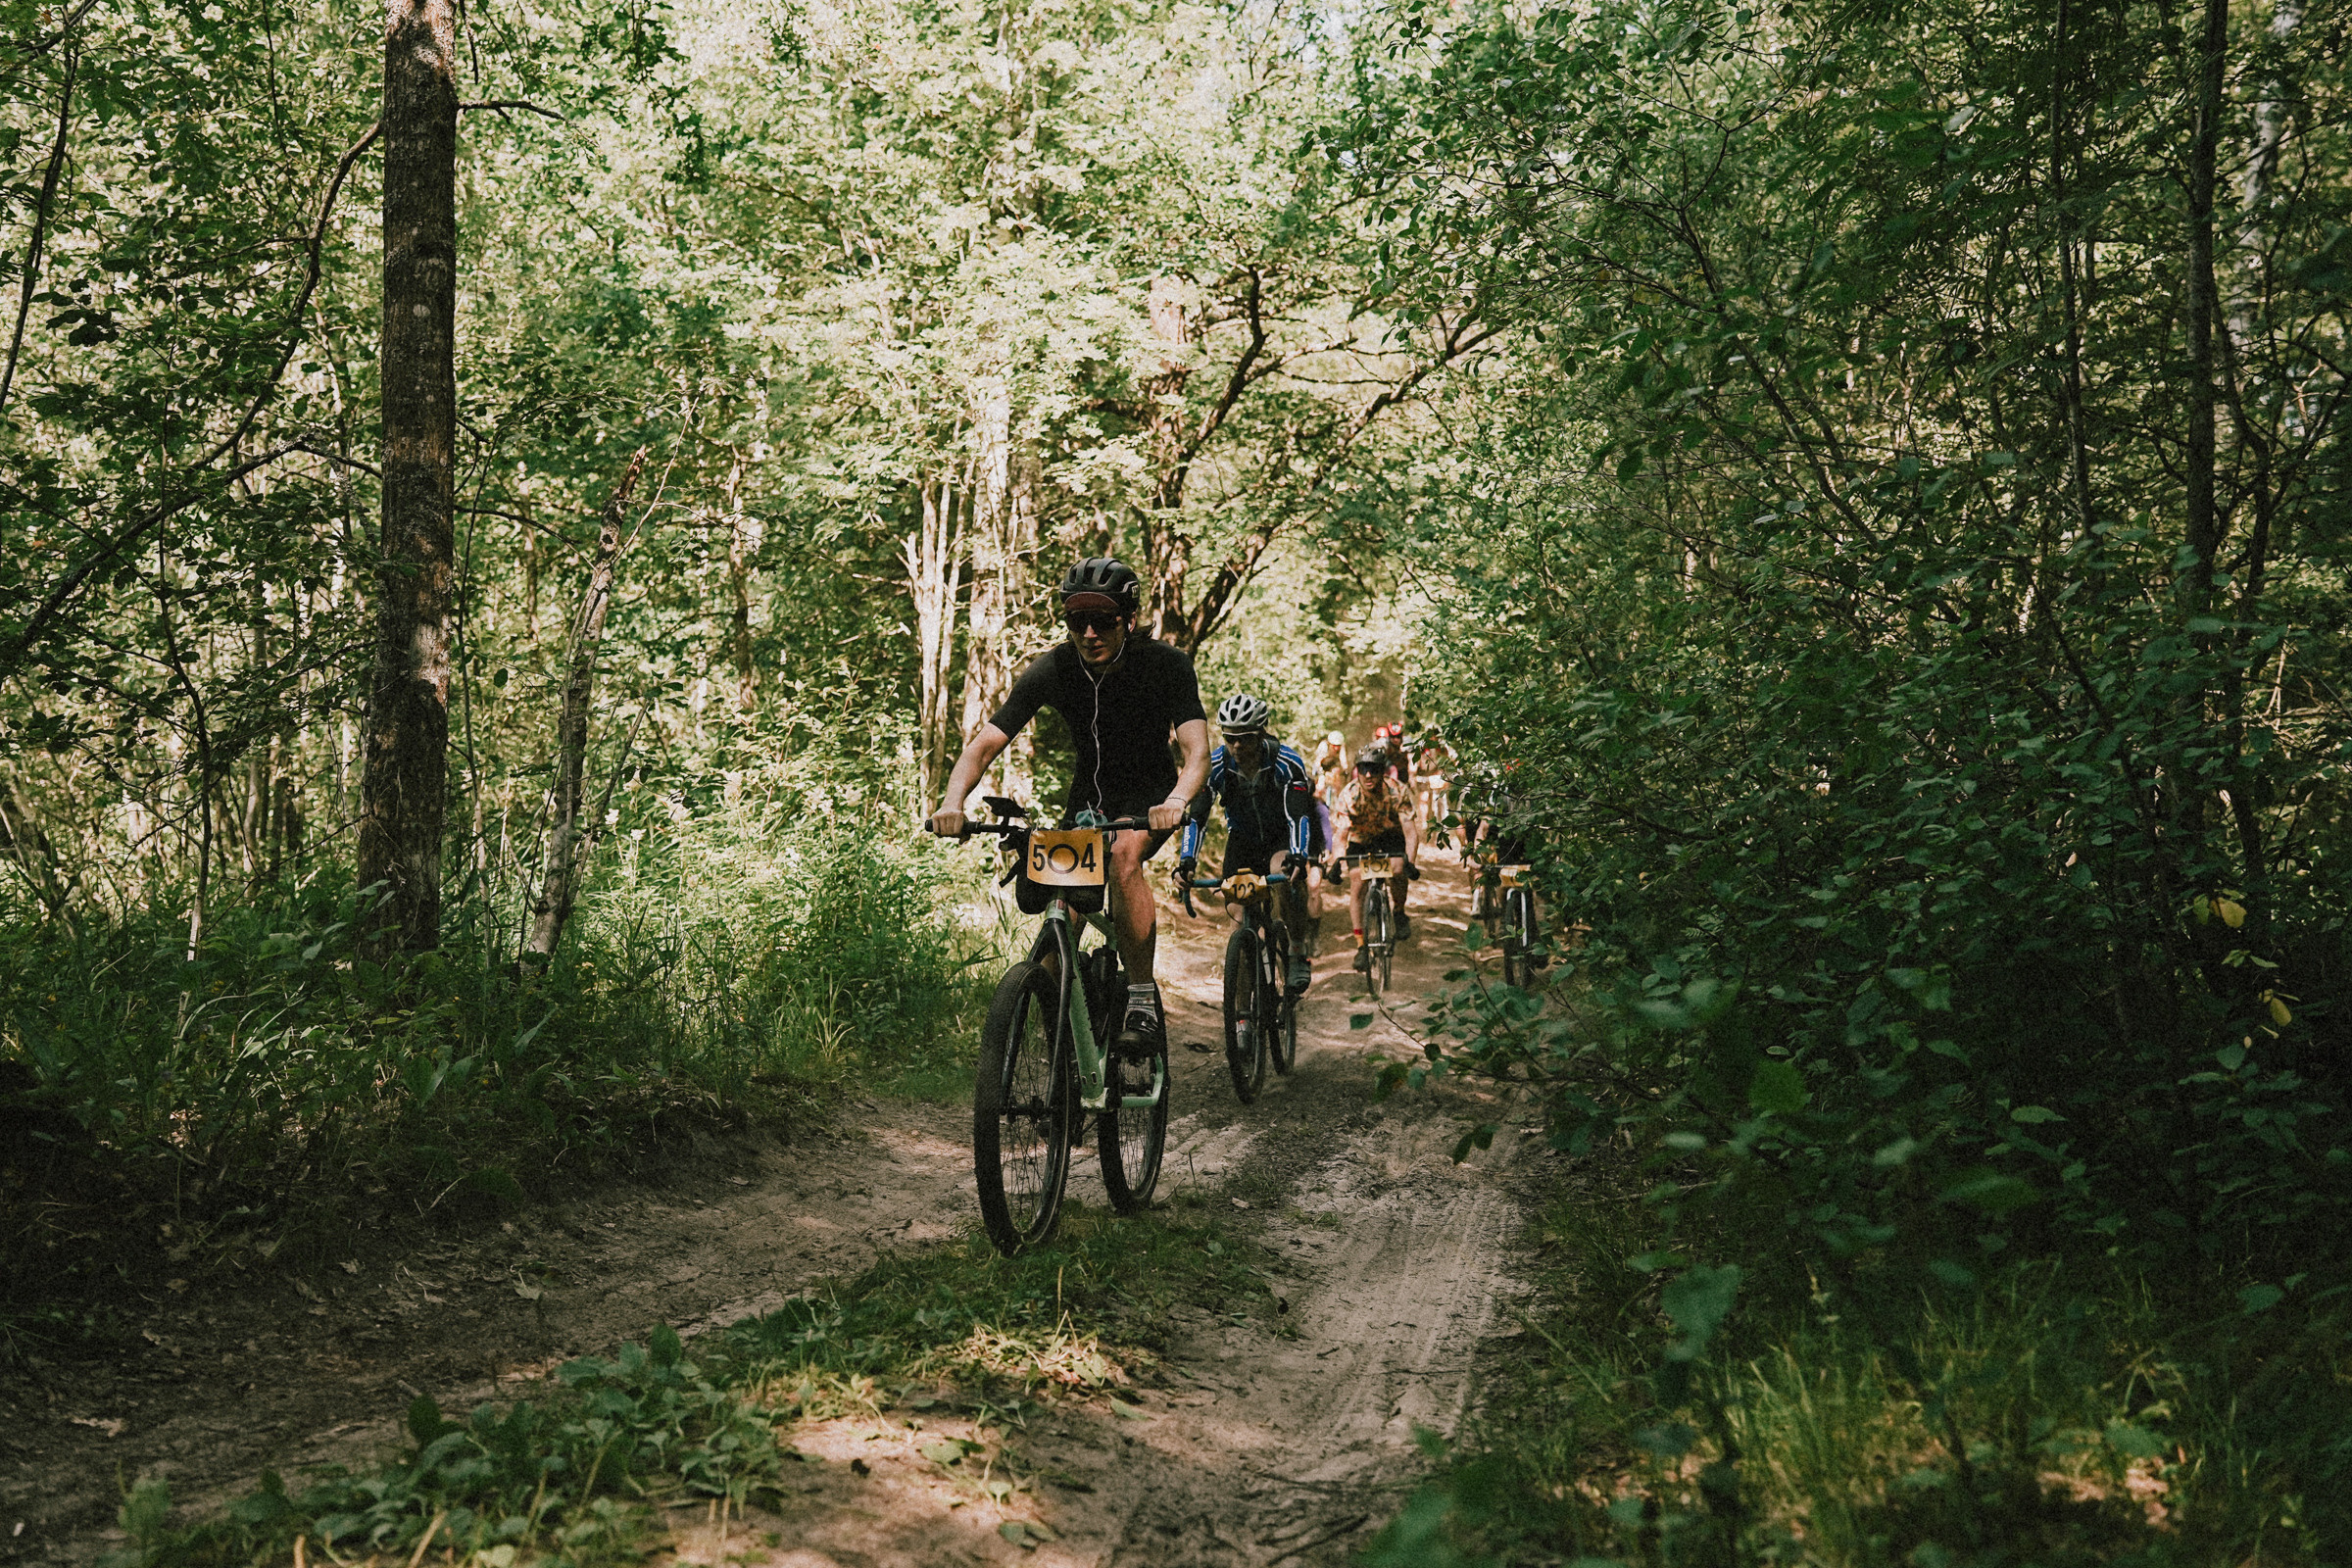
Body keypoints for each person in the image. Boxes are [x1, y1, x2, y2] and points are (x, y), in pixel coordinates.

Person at [928, 558, 1210, 1056]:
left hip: (1151, 800)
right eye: (1076, 620)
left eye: (1102, 620)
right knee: (1055, 958)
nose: (1088, 632)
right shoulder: (1056, 668)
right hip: (1084, 807)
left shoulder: (1166, 665)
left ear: (1128, 618)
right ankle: (1069, 1062)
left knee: (1123, 859)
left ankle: (1141, 999)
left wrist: (1176, 801)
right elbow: (982, 747)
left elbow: (1197, 753)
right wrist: (953, 802)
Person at [1179, 694, 1320, 994]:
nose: (1237, 746)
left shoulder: (1287, 761)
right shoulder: (1216, 764)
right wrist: (1187, 862)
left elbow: (1298, 815)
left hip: (1279, 837)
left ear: (1262, 733)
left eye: (1245, 738)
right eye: (1230, 738)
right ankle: (1242, 1019)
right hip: (1242, 841)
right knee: (1239, 923)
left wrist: (1298, 856)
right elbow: (1198, 818)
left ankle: (1296, 951)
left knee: (1283, 875)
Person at [1331, 744, 1420, 967]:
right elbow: (1341, 835)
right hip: (1360, 841)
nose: (1368, 775)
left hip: (1390, 836)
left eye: (1374, 769)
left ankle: (1399, 911)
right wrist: (1335, 862)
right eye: (1363, 769)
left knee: (1398, 869)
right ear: (1357, 771)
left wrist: (1410, 861)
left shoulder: (1397, 791)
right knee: (1357, 884)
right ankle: (1361, 945)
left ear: (1382, 771)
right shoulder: (1348, 795)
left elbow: (1410, 832)